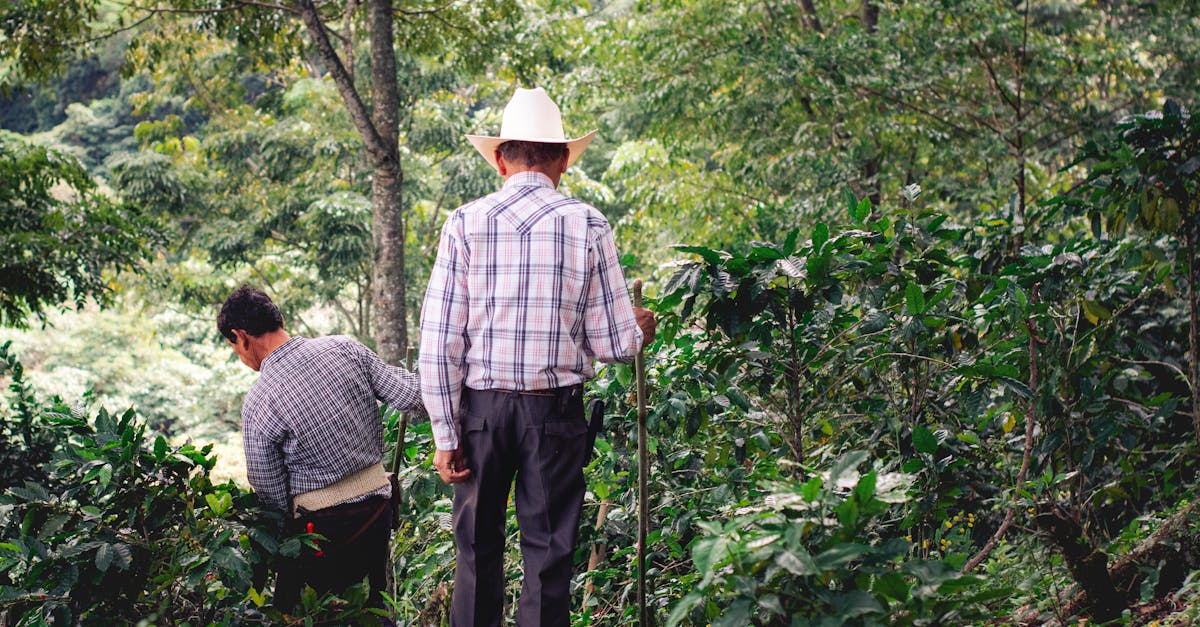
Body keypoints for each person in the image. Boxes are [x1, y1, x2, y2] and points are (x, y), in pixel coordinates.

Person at [419, 86, 657, 627]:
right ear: (565, 159)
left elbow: (439, 341)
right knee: (549, 557)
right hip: (554, 416)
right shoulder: (589, 224)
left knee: (476, 555)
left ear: (501, 160)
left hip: (479, 415)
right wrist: (640, 327)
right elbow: (616, 344)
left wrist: (445, 437)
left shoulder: (464, 222)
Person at [217, 284, 422, 614]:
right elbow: (414, 396)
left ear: (241, 336)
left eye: (234, 347)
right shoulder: (345, 349)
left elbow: (272, 501)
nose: (240, 356)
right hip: (377, 516)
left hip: (320, 536)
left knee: (298, 611)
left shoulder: (259, 402)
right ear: (277, 318)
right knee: (376, 609)